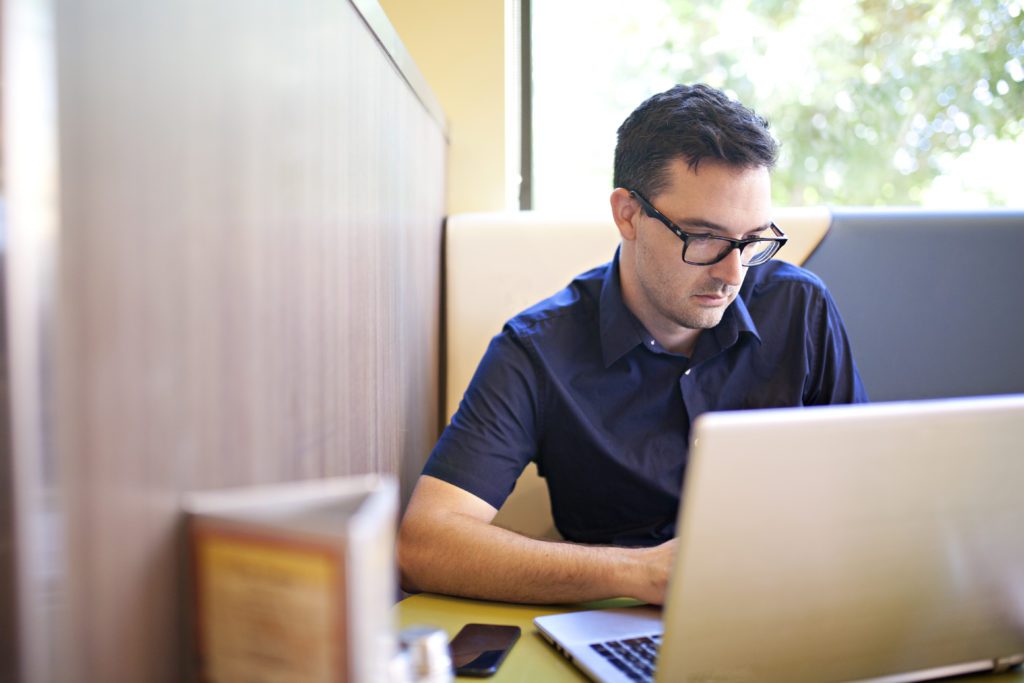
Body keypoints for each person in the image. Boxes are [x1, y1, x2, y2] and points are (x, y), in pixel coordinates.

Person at [397, 83, 868, 606]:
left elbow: (863, 488)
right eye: (705, 237)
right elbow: (425, 544)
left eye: (753, 239)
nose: (732, 273)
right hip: (617, 623)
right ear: (628, 214)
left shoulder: (800, 307)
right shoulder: (536, 351)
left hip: (788, 607)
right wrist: (638, 573)